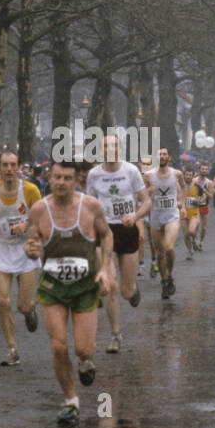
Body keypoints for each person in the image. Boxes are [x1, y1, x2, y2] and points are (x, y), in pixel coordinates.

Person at [22, 159, 114, 426]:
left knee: (83, 349)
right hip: (53, 287)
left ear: (77, 181)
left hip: (85, 286)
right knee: (58, 346)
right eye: (57, 177)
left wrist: (105, 269)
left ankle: (86, 361)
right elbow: (31, 242)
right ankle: (71, 401)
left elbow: (107, 235)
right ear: (50, 178)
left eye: (67, 178)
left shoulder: (90, 206)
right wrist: (31, 250)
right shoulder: (40, 209)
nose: (61, 183)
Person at [85, 134, 149, 354]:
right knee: (110, 286)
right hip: (105, 232)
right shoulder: (94, 174)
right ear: (100, 150)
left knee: (125, 292)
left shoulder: (131, 171)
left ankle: (133, 290)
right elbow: (89, 205)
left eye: (113, 146)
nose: (109, 149)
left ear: (119, 149)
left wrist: (136, 215)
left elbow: (146, 201)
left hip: (127, 230)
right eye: (105, 146)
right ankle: (115, 335)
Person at [0, 150, 43, 366]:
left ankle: (30, 309)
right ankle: (12, 349)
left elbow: (41, 217)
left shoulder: (31, 190)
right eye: (5, 165)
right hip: (2, 249)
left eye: (12, 165)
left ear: (18, 167)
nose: (9, 169)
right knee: (2, 301)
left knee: (22, 306)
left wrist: (26, 225)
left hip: (25, 249)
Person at [144, 147, 182, 299]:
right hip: (155, 217)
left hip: (171, 215)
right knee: (160, 254)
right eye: (159, 154)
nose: (162, 156)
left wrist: (182, 204)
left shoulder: (176, 174)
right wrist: (148, 192)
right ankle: (164, 280)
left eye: (165, 154)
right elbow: (141, 195)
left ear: (169, 157)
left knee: (170, 248)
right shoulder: (148, 176)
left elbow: (182, 188)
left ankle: (171, 274)